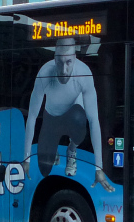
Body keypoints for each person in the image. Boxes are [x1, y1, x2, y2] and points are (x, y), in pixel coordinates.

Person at [23, 38, 115, 193]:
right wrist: (26, 158)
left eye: (68, 63)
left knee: (80, 118)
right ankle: (54, 147)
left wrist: (99, 168)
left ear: (75, 59)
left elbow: (93, 121)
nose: (64, 70)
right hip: (51, 119)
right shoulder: (45, 73)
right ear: (54, 59)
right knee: (44, 169)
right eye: (59, 63)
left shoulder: (84, 74)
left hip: (73, 116)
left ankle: (71, 149)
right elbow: (32, 117)